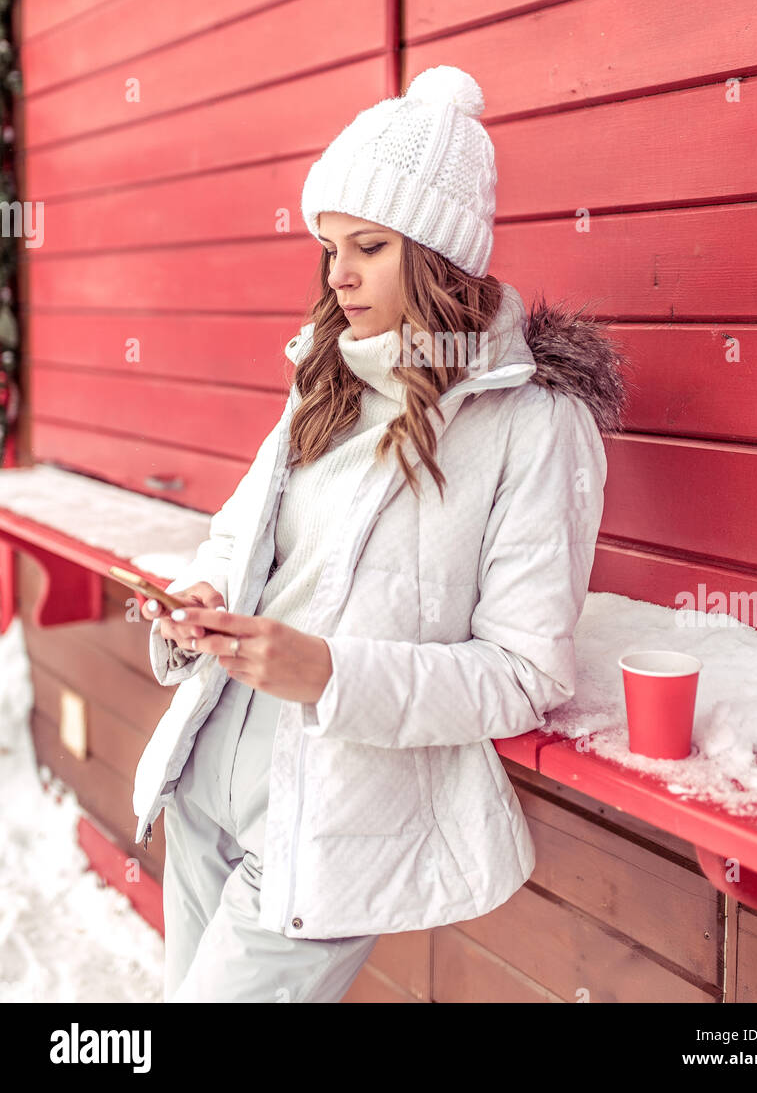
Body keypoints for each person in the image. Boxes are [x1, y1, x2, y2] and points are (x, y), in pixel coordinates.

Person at [132, 64, 627, 1003]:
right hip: (203, 788)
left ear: (438, 256)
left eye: (368, 246)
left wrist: (328, 673)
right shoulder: (324, 381)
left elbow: (525, 673)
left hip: (325, 833)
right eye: (328, 247)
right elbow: (237, 544)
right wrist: (197, 601)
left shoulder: (534, 426)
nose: (338, 275)